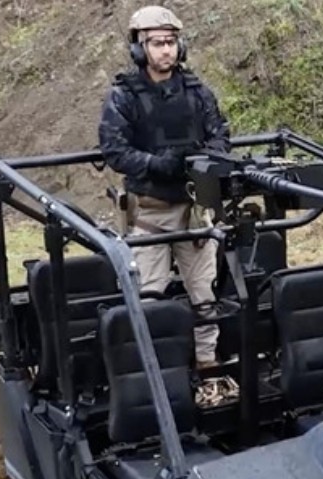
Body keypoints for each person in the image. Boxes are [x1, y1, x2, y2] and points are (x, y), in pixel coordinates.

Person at [98, 5, 231, 367]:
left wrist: (202, 161)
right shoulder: (124, 96)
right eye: (157, 43)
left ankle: (207, 364)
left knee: (204, 295)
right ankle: (157, 372)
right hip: (150, 212)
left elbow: (220, 134)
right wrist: (157, 164)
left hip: (193, 211)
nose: (166, 51)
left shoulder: (196, 91)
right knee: (149, 298)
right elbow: (114, 150)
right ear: (140, 49)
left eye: (171, 42)